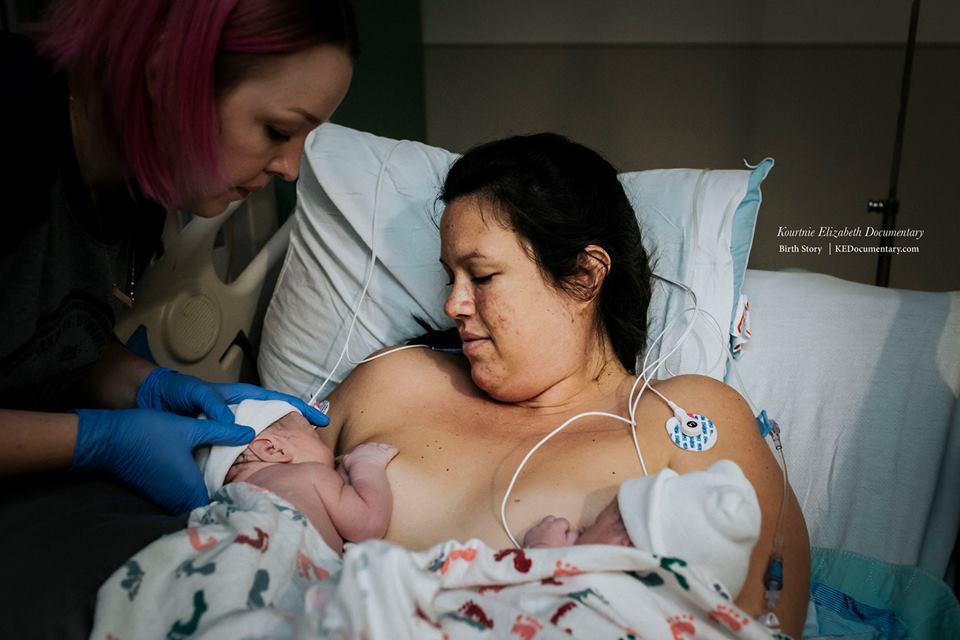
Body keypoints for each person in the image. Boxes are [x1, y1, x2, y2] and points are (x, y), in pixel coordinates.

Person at [318, 133, 811, 637]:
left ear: (584, 275)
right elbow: (272, 503)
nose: (452, 305)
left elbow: (762, 624)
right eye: (451, 279)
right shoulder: (393, 381)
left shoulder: (684, 417)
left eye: (481, 277)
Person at [0, 1, 356, 634]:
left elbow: (39, 337)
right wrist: (95, 439)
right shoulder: (18, 126)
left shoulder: (134, 187)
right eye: (277, 129)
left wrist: (150, 385)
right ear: (170, 68)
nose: (290, 168)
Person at [523, 459, 762, 600]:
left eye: (590, 527)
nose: (579, 530)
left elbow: (550, 602)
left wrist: (546, 551)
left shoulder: (613, 598)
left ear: (623, 546)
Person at [197, 399, 398, 554]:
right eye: (315, 435)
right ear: (273, 449)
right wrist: (366, 464)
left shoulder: (218, 509)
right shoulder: (309, 474)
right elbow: (368, 524)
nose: (329, 448)